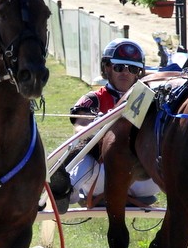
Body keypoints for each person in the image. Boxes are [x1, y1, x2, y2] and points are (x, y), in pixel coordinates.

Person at [57, 38, 161, 209]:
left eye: (133, 68)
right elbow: (80, 130)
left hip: (140, 180)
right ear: (107, 68)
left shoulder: (148, 100)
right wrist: (102, 126)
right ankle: (64, 195)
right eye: (119, 67)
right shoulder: (93, 99)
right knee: (85, 159)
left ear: (139, 73)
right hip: (103, 177)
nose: (125, 73)